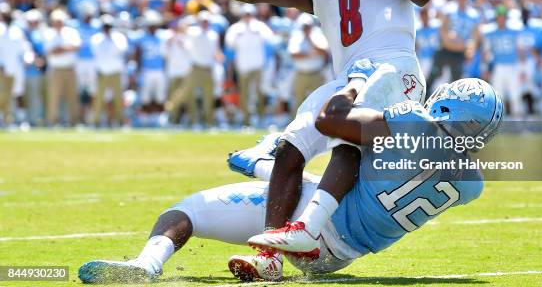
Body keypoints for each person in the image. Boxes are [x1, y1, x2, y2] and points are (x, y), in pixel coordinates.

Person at [179, 0, 433, 265]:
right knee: (289, 148)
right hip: (349, 76)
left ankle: (308, 230)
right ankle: (269, 256)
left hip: (395, 67)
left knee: (348, 137)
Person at [76, 77, 503, 283]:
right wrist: (263, 165)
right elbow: (375, 188)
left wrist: (356, 85)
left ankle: (146, 266)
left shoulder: (408, 124)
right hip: (341, 256)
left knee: (187, 209)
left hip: (315, 228)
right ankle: (265, 174)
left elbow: (331, 122)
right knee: (349, 158)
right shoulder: (472, 184)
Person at [165, 11, 223, 126]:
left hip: (208, 69)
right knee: (184, 92)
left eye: (206, 21)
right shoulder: (194, 32)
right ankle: (169, 111)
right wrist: (189, 20)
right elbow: (181, 26)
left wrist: (219, 57)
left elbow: (216, 51)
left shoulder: (213, 35)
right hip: (196, 68)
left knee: (209, 98)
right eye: (203, 21)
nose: (205, 23)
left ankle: (209, 123)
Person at [224, 4, 274, 126]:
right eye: (246, 14)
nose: (248, 17)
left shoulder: (260, 27)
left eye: (249, 14)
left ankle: (261, 118)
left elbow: (270, 40)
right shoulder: (235, 28)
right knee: (244, 94)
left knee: (259, 92)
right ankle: (246, 120)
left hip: (258, 65)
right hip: (242, 66)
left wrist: (255, 32)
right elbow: (229, 44)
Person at [427, 0, 479, 95]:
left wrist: (471, 49)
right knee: (434, 75)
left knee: (457, 81)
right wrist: (448, 41)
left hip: (460, 52)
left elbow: (474, 35)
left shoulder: (473, 14)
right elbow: (442, 29)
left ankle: (454, 106)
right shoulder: (449, 9)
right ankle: (425, 100)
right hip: (445, 49)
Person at [480, 5, 524, 118]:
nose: (501, 19)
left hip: (513, 66)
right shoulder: (490, 32)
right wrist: (484, 68)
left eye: (503, 16)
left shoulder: (515, 30)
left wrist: (523, 69)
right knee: (499, 96)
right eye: (499, 16)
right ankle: (500, 124)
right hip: (498, 67)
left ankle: (518, 122)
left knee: (515, 95)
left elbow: (520, 50)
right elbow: (486, 52)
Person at [43, 9, 82, 126]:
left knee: (73, 96)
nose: (58, 24)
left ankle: (74, 121)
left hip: (70, 68)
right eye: (56, 21)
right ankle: (53, 121)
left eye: (60, 21)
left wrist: (60, 48)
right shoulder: (48, 33)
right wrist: (65, 48)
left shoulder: (71, 32)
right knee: (54, 96)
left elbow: (76, 46)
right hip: (56, 69)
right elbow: (50, 51)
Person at [90, 15, 128, 126]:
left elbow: (120, 51)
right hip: (102, 71)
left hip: (115, 71)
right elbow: (99, 54)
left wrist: (111, 40)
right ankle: (95, 121)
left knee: (118, 97)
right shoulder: (96, 38)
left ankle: (120, 121)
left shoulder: (119, 37)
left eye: (109, 26)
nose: (107, 29)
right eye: (105, 27)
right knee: (99, 97)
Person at [288, 13, 329, 116]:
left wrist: (310, 40)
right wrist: (311, 54)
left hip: (316, 73)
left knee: (319, 101)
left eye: (308, 26)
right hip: (301, 73)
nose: (306, 28)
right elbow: (294, 54)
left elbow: (323, 51)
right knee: (298, 101)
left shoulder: (317, 34)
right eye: (304, 26)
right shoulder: (296, 35)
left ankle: (318, 125)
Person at [0, 7, 31, 125]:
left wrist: (28, 59)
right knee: (2, 95)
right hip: (2, 69)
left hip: (17, 68)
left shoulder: (17, 31)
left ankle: (22, 119)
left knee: (19, 93)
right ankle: (3, 119)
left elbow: (26, 48)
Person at [134, 10, 167, 120]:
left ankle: (159, 117)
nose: (153, 28)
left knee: (160, 95)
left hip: (159, 70)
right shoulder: (142, 38)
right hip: (146, 70)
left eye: (154, 25)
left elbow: (166, 56)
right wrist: (138, 70)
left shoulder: (162, 37)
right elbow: (138, 55)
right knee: (145, 96)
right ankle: (145, 116)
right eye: (151, 25)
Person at [162, 17, 194, 125]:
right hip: (173, 72)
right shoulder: (169, 38)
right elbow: (164, 54)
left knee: (187, 97)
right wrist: (169, 44)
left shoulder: (189, 38)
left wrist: (183, 45)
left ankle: (191, 120)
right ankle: (173, 120)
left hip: (186, 72)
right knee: (173, 97)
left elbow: (192, 54)